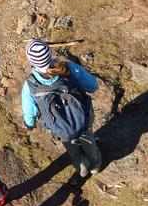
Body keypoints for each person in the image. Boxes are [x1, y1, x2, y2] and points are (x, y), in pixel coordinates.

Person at [21, 38, 102, 178]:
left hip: (60, 128)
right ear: (50, 53)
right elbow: (93, 86)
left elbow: (29, 113)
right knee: (89, 141)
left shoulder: (30, 85)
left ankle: (82, 167)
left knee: (72, 148)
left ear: (31, 61)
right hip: (83, 118)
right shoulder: (69, 67)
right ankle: (95, 164)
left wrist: (29, 124)